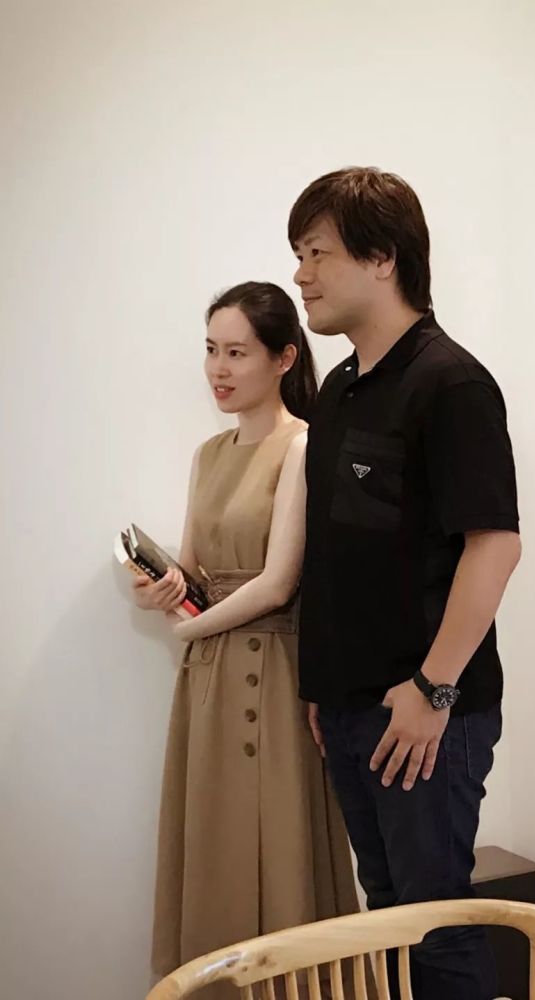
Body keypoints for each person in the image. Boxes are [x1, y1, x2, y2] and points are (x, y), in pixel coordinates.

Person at [288, 168, 522, 1000]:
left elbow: (494, 546)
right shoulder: (340, 389)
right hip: (349, 707)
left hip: (427, 708)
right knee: (384, 916)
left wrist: (432, 689)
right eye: (298, 255)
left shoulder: (450, 382)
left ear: (382, 257)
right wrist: (324, 686)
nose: (301, 275)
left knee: (433, 929)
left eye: (316, 253)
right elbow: (338, 554)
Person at [129, 282, 361, 998]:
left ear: (283, 358)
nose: (218, 369)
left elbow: (277, 583)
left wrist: (188, 626)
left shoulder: (303, 444)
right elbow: (196, 568)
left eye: (237, 352)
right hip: (208, 677)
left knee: (280, 845)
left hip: (273, 669)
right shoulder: (208, 453)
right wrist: (163, 586)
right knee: (216, 845)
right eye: (211, 350)